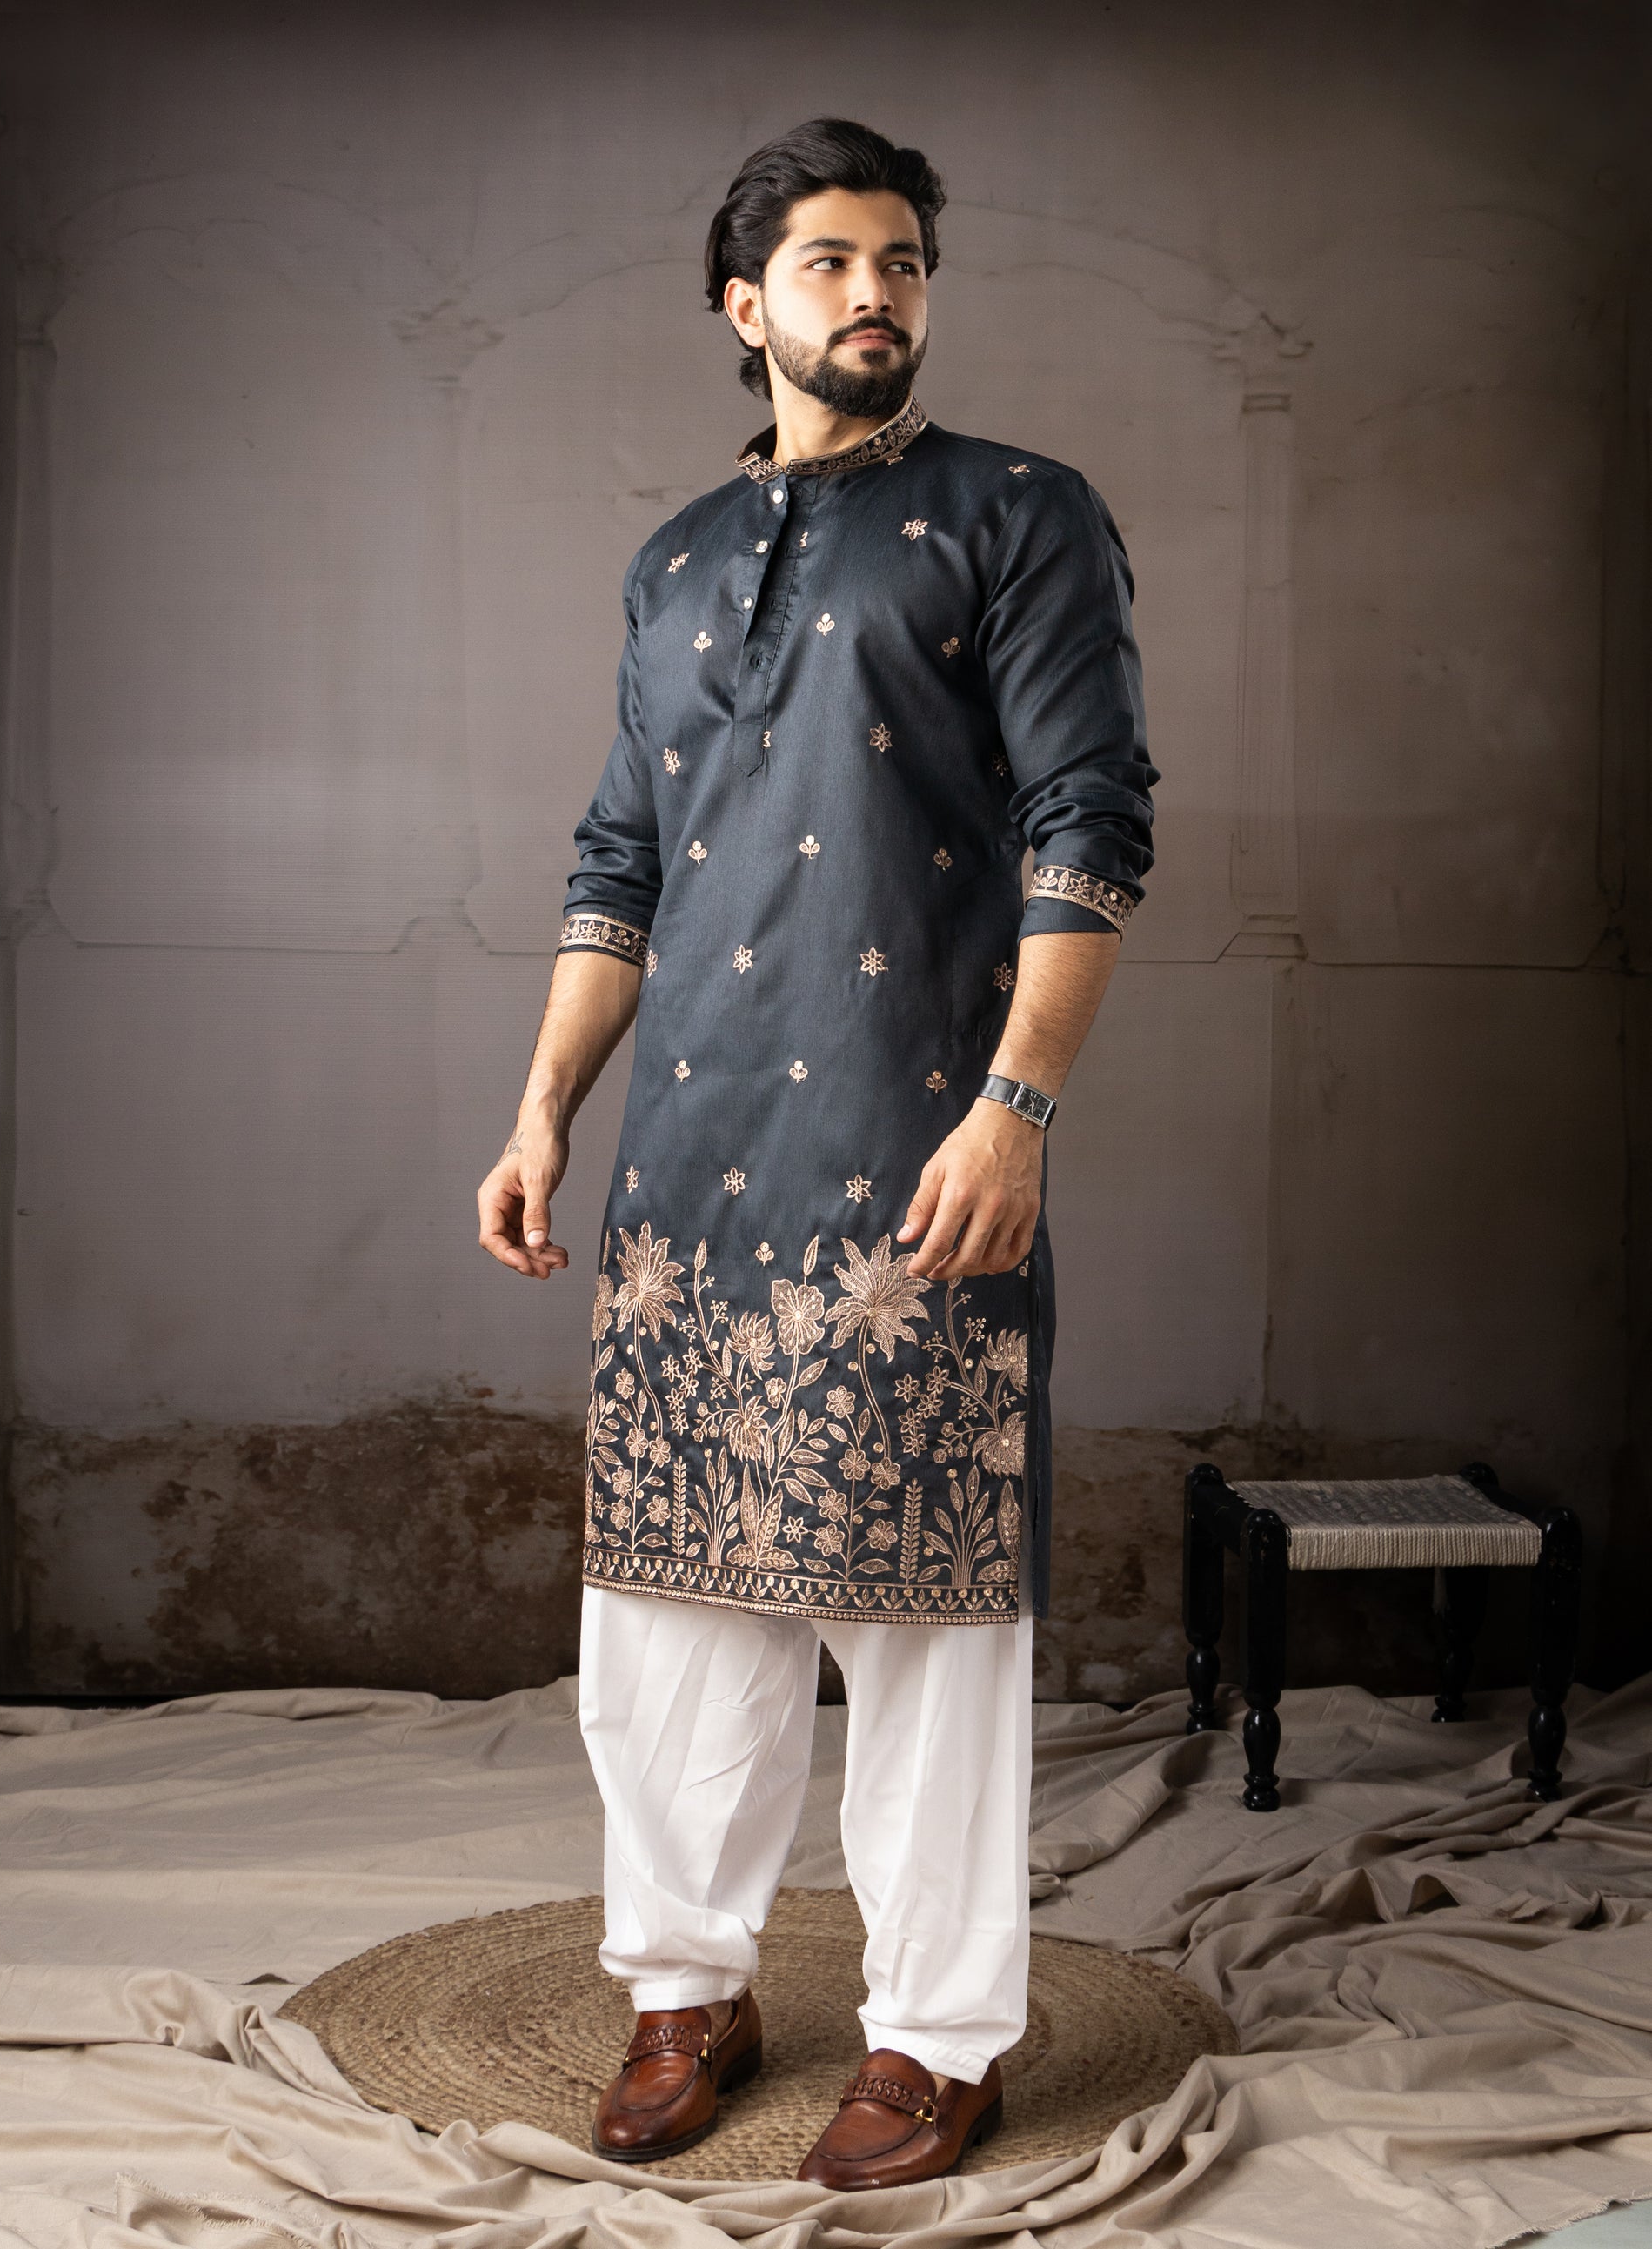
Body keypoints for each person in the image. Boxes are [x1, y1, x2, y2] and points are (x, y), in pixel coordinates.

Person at [478, 116, 1156, 2190]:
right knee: (667, 1621)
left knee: (929, 1621)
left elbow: (1089, 823)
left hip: (915, 1155)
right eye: (833, 262)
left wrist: (1017, 1105)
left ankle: (936, 2037)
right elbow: (621, 859)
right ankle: (687, 1988)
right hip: (685, 1168)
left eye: (904, 262)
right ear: (742, 301)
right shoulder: (676, 557)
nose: (877, 293)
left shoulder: (1019, 515)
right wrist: (542, 1107)